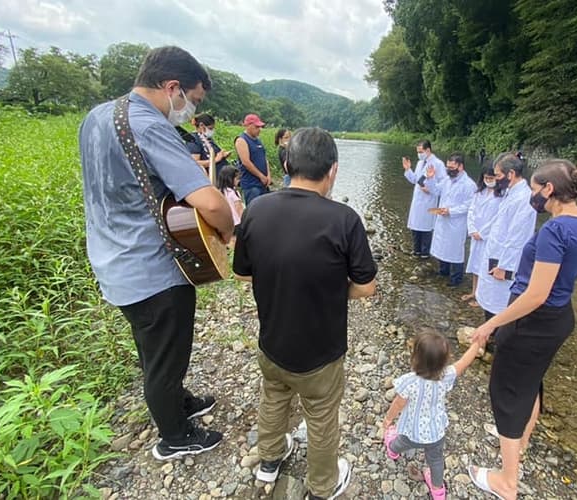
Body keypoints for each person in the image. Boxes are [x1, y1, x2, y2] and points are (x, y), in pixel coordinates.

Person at [79, 46, 234, 460]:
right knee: (166, 358)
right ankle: (175, 437)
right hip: (152, 268)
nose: (189, 109)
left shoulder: (97, 116)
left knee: (153, 348)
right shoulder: (149, 125)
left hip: (113, 259)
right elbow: (211, 203)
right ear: (172, 87)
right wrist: (228, 230)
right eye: (192, 99)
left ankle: (179, 402)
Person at [232, 127, 377, 500]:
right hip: (320, 353)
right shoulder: (344, 219)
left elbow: (242, 273)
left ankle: (269, 459)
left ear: (285, 164)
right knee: (322, 416)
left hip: (272, 342)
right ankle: (322, 486)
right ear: (333, 170)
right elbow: (366, 287)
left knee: (273, 397)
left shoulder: (257, 209)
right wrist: (331, 288)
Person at [467, 160, 577, 499]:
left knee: (507, 392)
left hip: (533, 322)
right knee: (531, 381)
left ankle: (507, 481)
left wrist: (492, 323)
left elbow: (536, 294)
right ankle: (520, 442)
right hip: (559, 318)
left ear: (549, 190)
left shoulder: (555, 230)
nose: (532, 196)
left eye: (536, 190)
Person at [382, 333, 484, 500]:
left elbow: (398, 404)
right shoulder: (446, 376)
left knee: (401, 442)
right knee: (436, 460)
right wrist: (477, 344)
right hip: (436, 432)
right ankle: (437, 490)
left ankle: (392, 451)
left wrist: (388, 420)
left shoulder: (409, 381)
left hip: (412, 431)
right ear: (444, 361)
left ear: (415, 358)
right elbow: (464, 362)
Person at [475, 153, 536, 339]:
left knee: (500, 302)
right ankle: (489, 334)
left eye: (498, 175)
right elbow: (498, 222)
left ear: (511, 174)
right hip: (495, 254)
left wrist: (505, 266)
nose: (496, 179)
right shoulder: (510, 193)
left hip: (505, 262)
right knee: (489, 298)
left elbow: (518, 238)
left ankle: (497, 339)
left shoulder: (524, 199)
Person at [426, 153, 476, 287]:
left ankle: (456, 278)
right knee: (442, 246)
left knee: (455, 250)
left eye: (452, 168)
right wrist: (430, 178)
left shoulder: (469, 184)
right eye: (448, 167)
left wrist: (451, 211)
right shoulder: (447, 180)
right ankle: (443, 271)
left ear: (461, 166)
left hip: (456, 222)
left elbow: (469, 205)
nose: (449, 170)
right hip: (443, 219)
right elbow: (435, 191)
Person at [463, 165, 505, 306]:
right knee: (475, 263)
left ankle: (482, 297)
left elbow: (497, 217)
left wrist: (483, 233)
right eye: (486, 178)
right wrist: (472, 229)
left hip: (489, 236)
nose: (488, 180)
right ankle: (474, 292)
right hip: (476, 234)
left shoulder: (502, 195)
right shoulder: (479, 192)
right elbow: (471, 210)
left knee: (485, 265)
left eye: (491, 178)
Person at [402, 140, 446, 258]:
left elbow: (443, 182)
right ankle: (416, 250)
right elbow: (415, 180)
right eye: (418, 152)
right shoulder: (420, 163)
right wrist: (408, 170)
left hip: (429, 199)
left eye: (421, 152)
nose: (419, 154)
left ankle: (425, 252)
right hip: (418, 199)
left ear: (428, 150)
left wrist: (431, 188)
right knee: (415, 224)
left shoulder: (438, 164)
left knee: (426, 226)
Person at [235, 113, 271, 205]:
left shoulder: (258, 140)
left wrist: (268, 175)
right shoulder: (241, 140)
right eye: (256, 127)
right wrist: (261, 176)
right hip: (251, 184)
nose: (259, 130)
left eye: (260, 127)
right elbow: (246, 162)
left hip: (263, 183)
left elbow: (264, 158)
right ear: (249, 126)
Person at [216, 165, 243, 246]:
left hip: (226, 224)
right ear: (230, 179)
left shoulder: (218, 193)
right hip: (237, 223)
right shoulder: (233, 192)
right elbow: (239, 209)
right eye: (237, 179)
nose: (238, 181)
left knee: (231, 244)